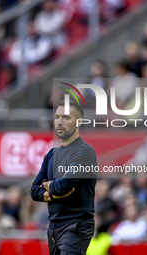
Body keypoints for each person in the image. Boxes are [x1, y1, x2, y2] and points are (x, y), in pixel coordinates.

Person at [31, 99, 98, 255]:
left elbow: (63, 186)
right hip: (53, 227)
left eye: (66, 117)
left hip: (76, 224)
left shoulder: (85, 152)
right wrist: (52, 191)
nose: (59, 122)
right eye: (57, 117)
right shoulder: (51, 155)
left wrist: (47, 185)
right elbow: (34, 191)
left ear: (78, 122)